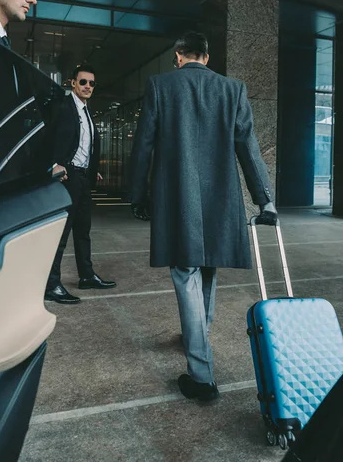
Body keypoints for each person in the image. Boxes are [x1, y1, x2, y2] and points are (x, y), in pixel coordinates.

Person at [129, 31, 276, 402]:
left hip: (178, 200)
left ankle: (200, 374)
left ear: (178, 56)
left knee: (185, 272)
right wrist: (265, 201)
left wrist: (136, 196)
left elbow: (144, 144)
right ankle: (198, 335)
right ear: (207, 58)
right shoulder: (233, 90)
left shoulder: (160, 87)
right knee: (206, 268)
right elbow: (249, 146)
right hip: (220, 202)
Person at [45, 64, 116, 304]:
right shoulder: (63, 107)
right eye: (83, 82)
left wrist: (91, 170)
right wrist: (53, 164)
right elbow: (45, 137)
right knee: (62, 233)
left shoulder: (87, 112)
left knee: (83, 231)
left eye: (91, 83)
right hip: (67, 177)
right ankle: (51, 284)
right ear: (73, 83)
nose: (87, 86)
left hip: (83, 178)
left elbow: (86, 146)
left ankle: (86, 276)